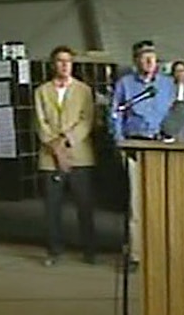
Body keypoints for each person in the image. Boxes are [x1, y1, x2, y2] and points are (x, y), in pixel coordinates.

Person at [111, 40, 175, 264]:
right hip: (135, 145)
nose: (149, 61)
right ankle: (136, 254)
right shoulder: (125, 84)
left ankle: (162, 250)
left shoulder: (167, 84)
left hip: (162, 146)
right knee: (136, 203)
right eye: (144, 57)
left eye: (152, 57)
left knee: (162, 201)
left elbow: (177, 112)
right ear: (136, 60)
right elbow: (115, 114)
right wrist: (119, 141)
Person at [34, 46, 98, 267]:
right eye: (60, 61)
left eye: (68, 61)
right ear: (53, 64)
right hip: (49, 156)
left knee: (84, 205)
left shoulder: (84, 90)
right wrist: (54, 145)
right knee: (52, 208)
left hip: (79, 155)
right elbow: (39, 121)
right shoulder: (41, 91)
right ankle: (54, 250)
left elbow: (87, 120)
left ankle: (89, 250)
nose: (64, 65)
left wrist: (66, 140)